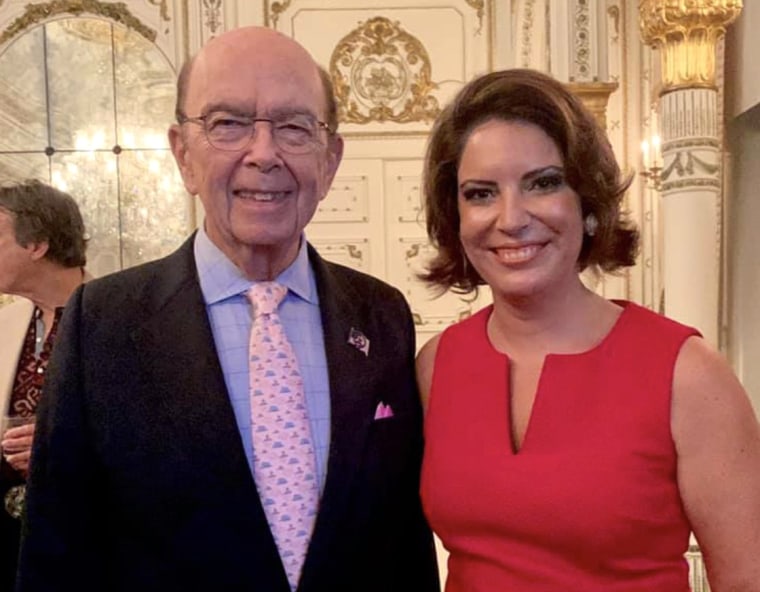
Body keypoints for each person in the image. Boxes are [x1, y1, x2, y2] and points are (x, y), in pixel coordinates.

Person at [16, 26, 439, 592]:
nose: (263, 154)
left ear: (330, 159)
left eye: (294, 127)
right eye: (228, 124)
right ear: (182, 153)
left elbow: (402, 543)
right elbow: (56, 554)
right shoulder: (103, 323)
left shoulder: (381, 315)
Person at [416, 68, 760, 592]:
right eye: (481, 193)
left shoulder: (685, 372)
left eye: (544, 183)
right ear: (454, 216)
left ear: (589, 203)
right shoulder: (437, 364)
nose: (511, 218)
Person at [0, 179, 89, 591]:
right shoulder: (6, 323)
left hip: (84, 537)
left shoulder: (122, 318)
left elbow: (154, 435)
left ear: (36, 244)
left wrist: (59, 448)